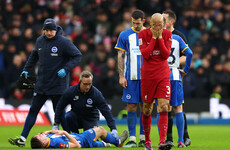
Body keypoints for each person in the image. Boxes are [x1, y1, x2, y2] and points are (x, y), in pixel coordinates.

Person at [8, 18, 82, 147]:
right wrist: (26, 69)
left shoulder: (63, 42)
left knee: (60, 114)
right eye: (47, 30)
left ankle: (72, 139)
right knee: (33, 111)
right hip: (42, 84)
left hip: (58, 85)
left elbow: (77, 55)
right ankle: (22, 139)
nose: (49, 33)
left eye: (51, 30)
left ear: (56, 29)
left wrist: (66, 69)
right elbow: (34, 56)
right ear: (44, 30)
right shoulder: (40, 41)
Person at [138, 13, 172, 150]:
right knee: (147, 109)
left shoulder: (167, 34)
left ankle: (162, 141)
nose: (158, 28)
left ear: (164, 24)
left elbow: (165, 55)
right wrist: (153, 38)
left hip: (163, 75)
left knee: (164, 106)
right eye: (155, 25)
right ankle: (147, 141)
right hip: (148, 75)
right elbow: (145, 54)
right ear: (150, 24)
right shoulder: (142, 34)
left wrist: (160, 40)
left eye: (161, 25)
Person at [53, 71, 119, 140]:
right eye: (85, 84)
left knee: (90, 140)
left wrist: (113, 128)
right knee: (68, 116)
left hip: (90, 119)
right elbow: (60, 106)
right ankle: (75, 137)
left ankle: (110, 142)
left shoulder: (96, 94)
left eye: (89, 84)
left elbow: (106, 111)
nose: (87, 87)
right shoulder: (71, 91)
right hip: (76, 118)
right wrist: (56, 124)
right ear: (80, 81)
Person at [115, 9, 146, 148]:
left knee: (146, 107)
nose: (136, 25)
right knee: (131, 106)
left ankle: (144, 138)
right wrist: (121, 75)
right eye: (134, 23)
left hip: (147, 77)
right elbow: (120, 55)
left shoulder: (150, 34)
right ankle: (132, 139)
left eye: (138, 23)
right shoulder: (125, 34)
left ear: (143, 21)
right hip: (131, 77)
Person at [162, 10, 192, 147]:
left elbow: (186, 55)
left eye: (164, 19)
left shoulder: (179, 36)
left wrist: (172, 64)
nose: (161, 22)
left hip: (170, 73)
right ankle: (172, 139)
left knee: (175, 107)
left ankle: (184, 137)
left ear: (171, 21)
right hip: (173, 75)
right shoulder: (170, 37)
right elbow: (189, 53)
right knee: (173, 107)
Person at [30, 126, 129, 149]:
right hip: (82, 139)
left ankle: (105, 143)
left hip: (79, 136)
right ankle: (118, 142)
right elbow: (77, 146)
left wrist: (49, 131)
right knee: (100, 129)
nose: (39, 134)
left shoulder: (47, 139)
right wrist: (65, 132)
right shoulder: (58, 144)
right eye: (39, 137)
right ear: (43, 143)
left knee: (101, 144)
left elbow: (52, 134)